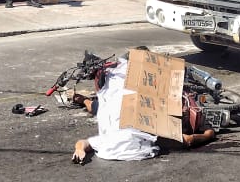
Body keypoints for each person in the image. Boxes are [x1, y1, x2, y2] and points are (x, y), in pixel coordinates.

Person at [70, 50, 216, 165]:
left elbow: (83, 142)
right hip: (129, 105)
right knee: (184, 139)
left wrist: (80, 149)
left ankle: (209, 133)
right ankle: (209, 133)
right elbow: (83, 142)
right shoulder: (110, 138)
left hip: (130, 107)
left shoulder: (108, 139)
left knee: (184, 139)